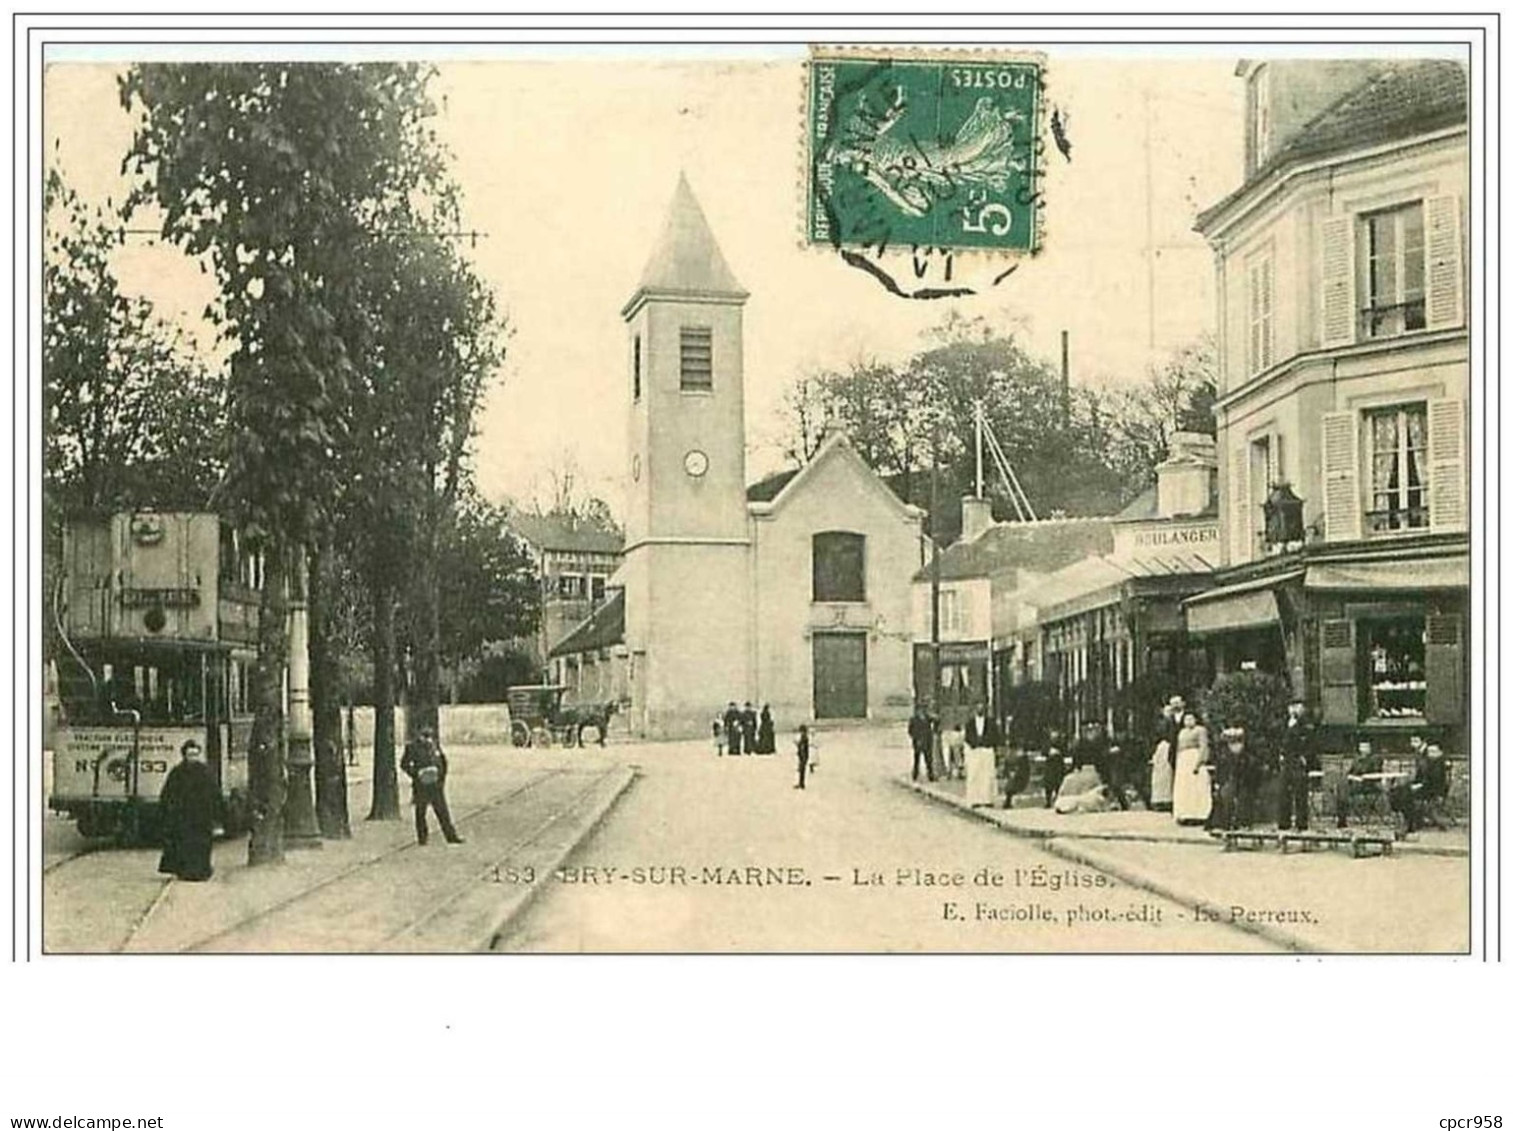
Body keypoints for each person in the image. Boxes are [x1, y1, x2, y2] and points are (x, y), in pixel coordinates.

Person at [157, 737, 220, 881]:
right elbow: (168, 794)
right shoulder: (177, 773)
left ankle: (202, 871)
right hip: (183, 816)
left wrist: (215, 813)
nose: (193, 758)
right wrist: (170, 811)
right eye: (190, 755)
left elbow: (214, 794)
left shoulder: (205, 772)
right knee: (184, 845)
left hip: (201, 817)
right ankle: (185, 872)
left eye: (195, 755)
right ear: (184, 755)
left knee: (201, 845)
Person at [401, 725, 463, 845]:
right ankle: (422, 838)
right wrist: (415, 774)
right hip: (421, 785)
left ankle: (451, 836)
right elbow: (404, 764)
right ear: (419, 736)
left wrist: (441, 777)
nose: (428, 740)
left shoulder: (435, 746)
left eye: (430, 737)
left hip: (436, 785)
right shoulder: (412, 747)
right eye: (425, 737)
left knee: (443, 812)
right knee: (420, 813)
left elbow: (443, 762)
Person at [1390, 738, 1449, 834]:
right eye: (1429, 751)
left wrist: (1419, 786)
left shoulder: (1439, 764)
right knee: (1397, 790)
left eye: (1434, 751)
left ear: (1440, 752)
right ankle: (1408, 818)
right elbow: (1420, 777)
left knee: (1406, 794)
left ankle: (1410, 822)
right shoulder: (1427, 762)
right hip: (1424, 787)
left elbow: (1435, 781)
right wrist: (1413, 784)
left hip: (1434, 790)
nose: (1431, 754)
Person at [1276, 699, 1318, 831]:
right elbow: (1280, 742)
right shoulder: (1283, 724)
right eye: (1292, 707)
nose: (1294, 710)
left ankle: (1301, 823)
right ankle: (1284, 823)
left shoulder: (1306, 726)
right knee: (1283, 793)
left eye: (1298, 707)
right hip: (1287, 762)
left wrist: (1305, 758)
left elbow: (1311, 744)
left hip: (1298, 763)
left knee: (1300, 793)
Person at [1209, 727, 1255, 831]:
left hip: (1241, 779)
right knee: (1225, 798)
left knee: (1242, 799)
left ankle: (1241, 822)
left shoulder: (1245, 754)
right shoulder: (1223, 753)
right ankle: (1225, 823)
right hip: (1228, 779)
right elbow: (1220, 767)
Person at [1171, 711, 1212, 825]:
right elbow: (1178, 748)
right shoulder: (1182, 732)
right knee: (1184, 787)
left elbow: (1203, 747)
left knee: (1196, 786)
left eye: (1191, 719)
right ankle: (1184, 814)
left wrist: (1199, 763)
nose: (1188, 721)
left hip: (1194, 758)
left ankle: (1199, 815)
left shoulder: (1200, 730)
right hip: (1183, 760)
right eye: (1186, 719)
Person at [1334, 739, 1382, 829]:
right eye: (1362, 747)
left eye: (1366, 747)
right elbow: (1350, 772)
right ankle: (1342, 818)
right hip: (1356, 784)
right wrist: (1350, 776)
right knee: (1341, 788)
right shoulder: (1356, 760)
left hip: (1368, 785)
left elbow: (1376, 774)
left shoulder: (1375, 759)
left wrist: (1363, 777)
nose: (1364, 749)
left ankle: (1342, 817)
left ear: (1370, 748)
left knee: (1344, 790)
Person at [963, 703, 1002, 807]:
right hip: (975, 752)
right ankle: (975, 799)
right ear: (975, 709)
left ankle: (987, 799)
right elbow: (968, 737)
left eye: (982, 708)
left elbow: (995, 737)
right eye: (978, 708)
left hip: (987, 751)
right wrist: (975, 742)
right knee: (975, 775)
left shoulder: (991, 723)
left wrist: (985, 742)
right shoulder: (970, 724)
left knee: (987, 776)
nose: (980, 710)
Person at [1041, 728, 1068, 808]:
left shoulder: (1062, 744)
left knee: (1058, 783)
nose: (1054, 738)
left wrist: (1059, 752)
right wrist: (1049, 752)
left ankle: (1058, 799)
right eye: (1053, 736)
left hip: (1058, 765)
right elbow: (1043, 752)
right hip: (1050, 765)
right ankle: (1048, 801)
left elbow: (1065, 752)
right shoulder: (1047, 745)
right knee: (1048, 784)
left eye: (1055, 736)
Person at [908, 704, 935, 783]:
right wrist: (916, 738)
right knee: (917, 759)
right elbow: (910, 731)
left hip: (927, 742)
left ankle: (930, 775)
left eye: (923, 709)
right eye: (920, 710)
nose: (922, 711)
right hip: (918, 742)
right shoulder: (913, 720)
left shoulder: (927, 718)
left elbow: (936, 720)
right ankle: (915, 775)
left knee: (928, 759)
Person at [794, 724, 812, 789]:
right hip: (803, 755)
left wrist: (797, 744)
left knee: (801, 770)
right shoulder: (804, 737)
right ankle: (801, 783)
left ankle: (801, 784)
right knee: (801, 770)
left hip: (803, 755)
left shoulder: (804, 738)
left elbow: (802, 747)